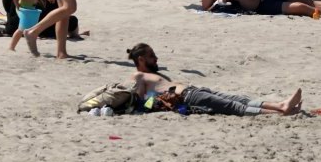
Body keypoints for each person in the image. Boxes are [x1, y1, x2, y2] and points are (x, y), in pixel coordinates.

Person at [129, 42, 302, 116]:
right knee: (233, 106)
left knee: (238, 99)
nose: (156, 58)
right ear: (141, 60)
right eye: (151, 56)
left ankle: (280, 106)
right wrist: (162, 102)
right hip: (188, 98)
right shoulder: (139, 75)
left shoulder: (155, 75)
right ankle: (277, 113)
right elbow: (141, 103)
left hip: (194, 91)